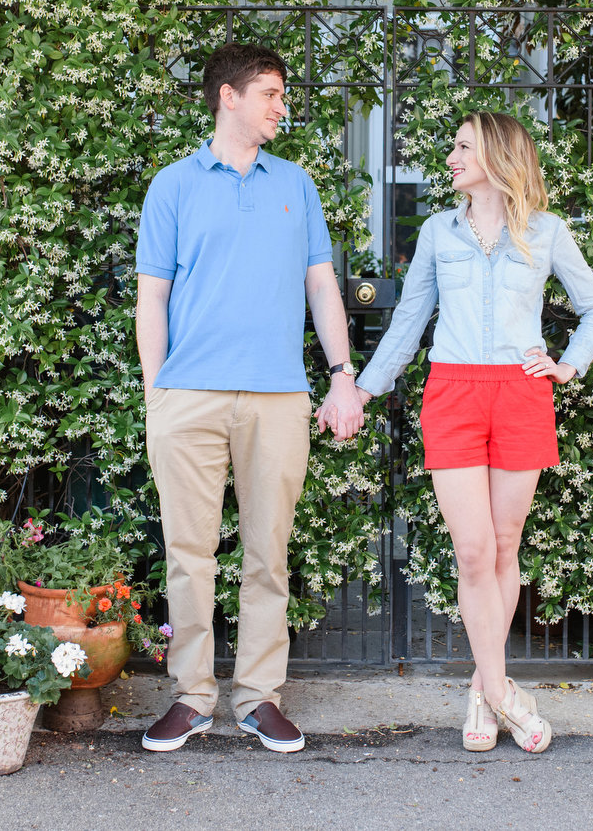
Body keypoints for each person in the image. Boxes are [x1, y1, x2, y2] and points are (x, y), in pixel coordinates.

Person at [352, 111, 593, 754]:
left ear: (496, 154)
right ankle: (501, 693)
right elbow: (411, 317)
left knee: (502, 545)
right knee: (471, 553)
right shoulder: (439, 232)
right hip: (454, 392)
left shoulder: (546, 232)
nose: (451, 156)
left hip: (521, 394)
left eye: (463, 145)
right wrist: (364, 387)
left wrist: (568, 363)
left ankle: (482, 689)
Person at [134, 42, 366, 754]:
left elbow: (321, 284)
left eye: (282, 93)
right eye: (269, 92)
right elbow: (153, 297)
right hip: (190, 397)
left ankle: (260, 698)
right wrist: (158, 397)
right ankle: (191, 698)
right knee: (189, 552)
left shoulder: (296, 184)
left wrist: (341, 372)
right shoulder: (172, 186)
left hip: (277, 397)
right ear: (227, 97)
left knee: (269, 552)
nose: (280, 105)